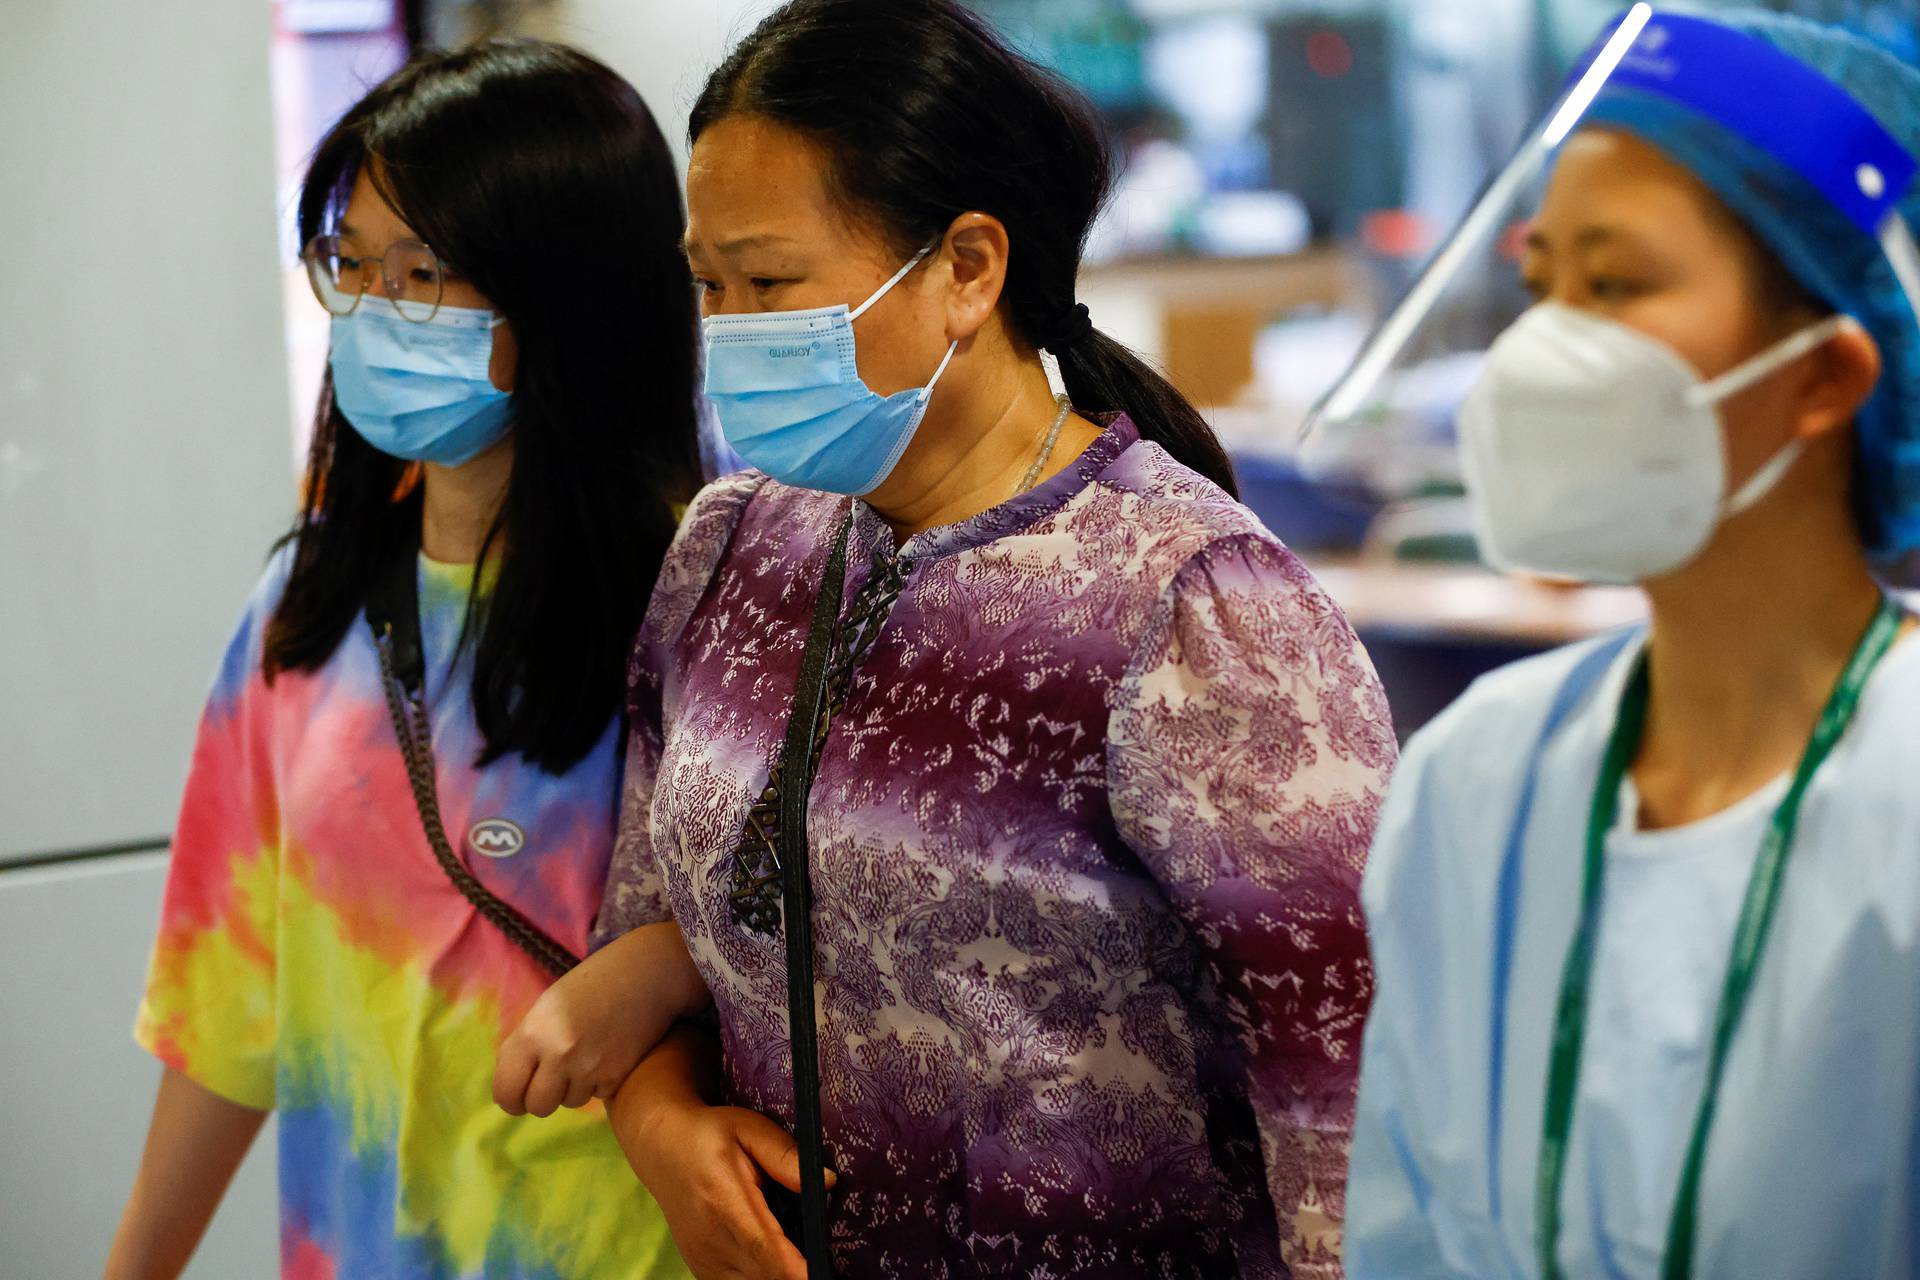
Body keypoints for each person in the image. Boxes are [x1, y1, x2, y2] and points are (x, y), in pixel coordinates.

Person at [495, 2, 1396, 1277]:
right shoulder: (736, 547)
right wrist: (659, 1123)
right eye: (709, 285)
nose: (733, 327)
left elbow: (1346, 1078)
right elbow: (667, 906)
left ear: (968, 266)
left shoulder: (1192, 605)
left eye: (771, 281)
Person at [1334, 10, 1920, 1278]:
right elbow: (1402, 1234)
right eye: (1541, 285)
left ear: (1824, 373)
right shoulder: (1476, 778)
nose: (1542, 347)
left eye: (1615, 283)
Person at [104, 42, 702, 1280]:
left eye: (423, 269)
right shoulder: (305, 609)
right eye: (353, 261)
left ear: (569, 295)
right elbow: (232, 1008)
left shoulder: (705, 606)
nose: (374, 308)